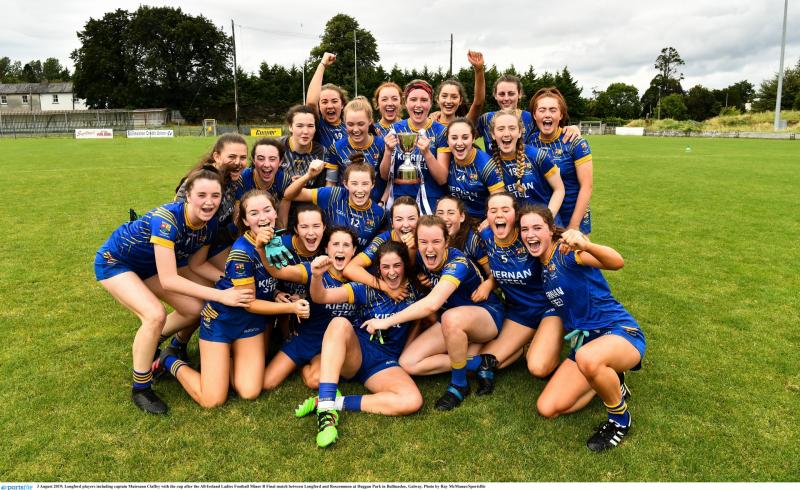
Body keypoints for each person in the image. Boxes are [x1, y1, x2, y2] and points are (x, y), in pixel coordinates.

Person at [94, 167, 254, 414]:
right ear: (187, 196)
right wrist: (223, 295)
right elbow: (169, 279)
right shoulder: (167, 219)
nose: (209, 202)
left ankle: (154, 345)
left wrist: (232, 282)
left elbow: (196, 265)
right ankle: (141, 388)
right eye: (201, 195)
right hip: (116, 262)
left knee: (196, 309)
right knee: (154, 315)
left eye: (215, 196)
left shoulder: (209, 224)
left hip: (151, 267)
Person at [153, 190, 310, 408]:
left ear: (275, 213)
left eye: (267, 210)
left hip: (250, 323)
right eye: (254, 213)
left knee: (249, 391)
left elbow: (269, 276)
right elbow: (250, 303)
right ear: (245, 221)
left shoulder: (279, 240)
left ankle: (223, 360)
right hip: (223, 320)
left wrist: (275, 292)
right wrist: (291, 308)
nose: (262, 217)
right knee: (212, 400)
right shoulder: (240, 253)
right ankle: (169, 359)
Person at [519, 205, 644, 452]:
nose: (530, 234)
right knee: (547, 408)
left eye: (537, 227)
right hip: (587, 347)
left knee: (587, 357)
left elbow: (617, 262)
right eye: (524, 229)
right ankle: (611, 379)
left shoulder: (567, 252)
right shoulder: (542, 266)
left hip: (620, 332)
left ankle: (619, 419)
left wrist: (587, 245)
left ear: (550, 230)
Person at [367, 216, 504, 411]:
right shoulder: (420, 257)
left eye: (436, 242)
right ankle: (479, 362)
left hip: (486, 316)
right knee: (408, 363)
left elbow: (432, 304)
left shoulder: (458, 262)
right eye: (423, 242)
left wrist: (386, 321)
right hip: (452, 322)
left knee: (450, 317)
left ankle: (459, 385)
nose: (429, 248)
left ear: (446, 242)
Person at [294, 240, 423, 447]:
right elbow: (321, 297)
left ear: (405, 266)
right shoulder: (366, 288)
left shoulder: (415, 291)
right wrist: (316, 276)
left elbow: (423, 320)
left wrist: (407, 351)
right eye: (385, 267)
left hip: (384, 362)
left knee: (411, 401)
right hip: (357, 353)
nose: (391, 272)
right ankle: (326, 413)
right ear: (378, 269)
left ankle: (333, 402)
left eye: (397, 266)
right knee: (339, 323)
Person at [474, 192, 563, 396]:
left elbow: (555, 246)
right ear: (487, 216)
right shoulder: (487, 236)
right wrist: (490, 283)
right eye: (493, 210)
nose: (499, 215)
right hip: (520, 313)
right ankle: (526, 343)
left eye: (505, 210)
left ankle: (569, 359)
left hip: (549, 309)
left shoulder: (527, 237)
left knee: (538, 367)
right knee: (486, 362)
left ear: (515, 215)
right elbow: (501, 268)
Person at [261, 227, 359, 391]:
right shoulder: (312, 269)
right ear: (326, 248)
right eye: (335, 244)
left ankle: (304, 367)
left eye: (346, 245)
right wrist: (260, 249)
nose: (341, 249)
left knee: (315, 380)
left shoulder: (360, 277)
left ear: (354, 250)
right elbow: (277, 271)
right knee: (267, 383)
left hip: (328, 345)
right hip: (305, 338)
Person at [175, 133, 247, 272]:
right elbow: (180, 220)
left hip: (211, 243)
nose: (238, 162)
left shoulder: (234, 179)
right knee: (237, 274)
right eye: (232, 157)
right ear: (217, 157)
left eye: (243, 157)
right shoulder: (200, 181)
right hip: (189, 250)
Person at [528, 87, 594, 234]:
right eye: (542, 110)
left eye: (553, 110)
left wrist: (574, 225)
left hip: (573, 213)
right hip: (544, 216)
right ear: (534, 115)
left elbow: (587, 186)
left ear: (561, 115)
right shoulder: (530, 142)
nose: (547, 114)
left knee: (575, 250)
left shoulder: (575, 142)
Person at [283, 159, 385, 250]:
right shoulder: (334, 194)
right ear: (345, 184)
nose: (359, 189)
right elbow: (289, 195)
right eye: (354, 183)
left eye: (365, 184)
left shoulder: (379, 214)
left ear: (372, 184)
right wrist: (308, 175)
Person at [380, 79, 448, 214]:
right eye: (413, 99)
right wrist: (388, 152)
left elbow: (442, 179)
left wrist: (427, 154)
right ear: (405, 103)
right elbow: (384, 176)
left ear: (431, 103)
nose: (418, 104)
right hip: (400, 201)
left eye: (424, 100)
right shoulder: (395, 129)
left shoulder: (441, 132)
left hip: (430, 203)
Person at [490, 109, 565, 218]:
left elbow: (559, 189)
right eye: (501, 129)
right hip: (515, 225)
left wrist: (548, 218)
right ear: (493, 134)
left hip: (544, 222)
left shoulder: (537, 156)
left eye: (512, 128)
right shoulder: (490, 165)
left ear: (520, 132)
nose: (506, 134)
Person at [343, 196, 419, 300]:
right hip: (378, 296)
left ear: (419, 220)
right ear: (392, 223)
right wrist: (386, 288)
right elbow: (350, 269)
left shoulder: (425, 238)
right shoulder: (382, 240)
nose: (405, 225)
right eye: (399, 219)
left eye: (411, 219)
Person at [434, 118, 503, 221]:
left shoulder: (485, 164)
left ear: (473, 138)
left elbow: (500, 200)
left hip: (480, 220)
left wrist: (488, 221)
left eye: (465, 137)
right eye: (454, 138)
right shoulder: (446, 159)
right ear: (447, 141)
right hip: (454, 219)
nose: (459, 143)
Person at [326, 96, 388, 203]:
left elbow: (390, 181)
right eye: (350, 124)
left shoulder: (382, 145)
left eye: (361, 124)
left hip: (375, 206)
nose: (355, 129)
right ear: (344, 123)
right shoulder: (336, 148)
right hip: (345, 206)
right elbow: (331, 183)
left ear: (370, 121)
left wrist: (382, 203)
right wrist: (331, 206)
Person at [429, 50, 485, 126]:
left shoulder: (464, 124)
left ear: (460, 100)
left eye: (454, 97)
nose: (448, 101)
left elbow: (478, 103)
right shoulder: (428, 123)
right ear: (437, 99)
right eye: (444, 96)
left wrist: (479, 69)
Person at [306, 52, 347, 149]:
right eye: (324, 102)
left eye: (334, 101)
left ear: (342, 104)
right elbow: (311, 103)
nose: (330, 106)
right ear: (319, 106)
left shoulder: (351, 127)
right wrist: (322, 64)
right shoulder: (317, 126)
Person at [236, 138, 290, 206]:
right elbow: (237, 211)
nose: (266, 165)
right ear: (253, 160)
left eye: (272, 159)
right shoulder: (242, 179)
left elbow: (283, 211)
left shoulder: (284, 180)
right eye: (261, 159)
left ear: (280, 162)